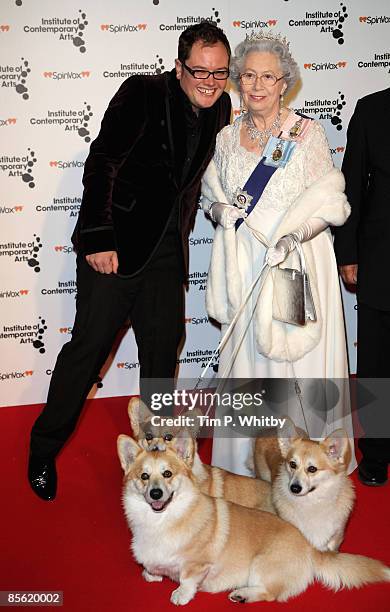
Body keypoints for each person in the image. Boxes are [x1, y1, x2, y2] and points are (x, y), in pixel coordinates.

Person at [28, 21, 232, 501]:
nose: (209, 81)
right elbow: (102, 162)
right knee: (86, 353)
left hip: (166, 256)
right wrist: (99, 238)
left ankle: (156, 461)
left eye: (219, 72)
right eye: (199, 70)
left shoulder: (220, 107)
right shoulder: (141, 93)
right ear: (179, 66)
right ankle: (41, 449)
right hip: (114, 250)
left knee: (161, 360)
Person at [201, 31, 356, 476]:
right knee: (252, 367)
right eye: (247, 75)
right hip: (245, 265)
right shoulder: (227, 138)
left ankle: (308, 466)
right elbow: (208, 194)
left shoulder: (306, 134)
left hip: (294, 264)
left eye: (267, 76)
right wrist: (218, 208)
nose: (256, 85)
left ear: (284, 82)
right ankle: (249, 468)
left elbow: (331, 204)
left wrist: (293, 238)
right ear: (236, 81)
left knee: (294, 361)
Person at [334, 88, 390, 486]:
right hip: (381, 257)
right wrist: (347, 253)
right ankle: (378, 452)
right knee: (376, 364)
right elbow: (351, 184)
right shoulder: (372, 109)